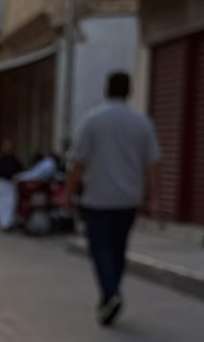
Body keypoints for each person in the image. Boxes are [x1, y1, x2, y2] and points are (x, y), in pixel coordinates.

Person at [67, 70, 160, 326]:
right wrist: (153, 198)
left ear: (106, 89)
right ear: (129, 91)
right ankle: (110, 296)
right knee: (118, 249)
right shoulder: (142, 122)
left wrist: (68, 193)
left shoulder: (92, 120)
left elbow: (78, 163)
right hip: (128, 199)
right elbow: (152, 164)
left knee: (99, 249)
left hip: (97, 198)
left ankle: (110, 293)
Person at [0, 140, 23, 231]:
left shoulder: (14, 159)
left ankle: (7, 223)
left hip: (10, 184)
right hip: (1, 183)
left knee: (10, 203)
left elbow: (19, 170)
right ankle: (2, 224)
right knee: (1, 204)